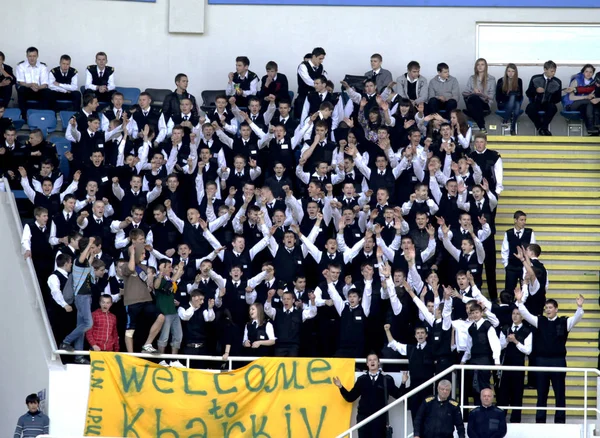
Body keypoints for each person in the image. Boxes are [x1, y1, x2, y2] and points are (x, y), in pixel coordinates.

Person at [515, 286, 585, 424]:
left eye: (550, 307)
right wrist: (520, 302)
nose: (547, 310)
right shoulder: (539, 321)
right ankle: (540, 421)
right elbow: (526, 315)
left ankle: (560, 421)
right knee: (541, 393)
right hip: (541, 361)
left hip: (558, 361)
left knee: (560, 394)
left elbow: (578, 317)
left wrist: (579, 307)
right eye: (546, 307)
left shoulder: (564, 322)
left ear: (556, 309)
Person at [333, 353, 405, 438]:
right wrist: (340, 387)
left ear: (379, 362)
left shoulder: (386, 379)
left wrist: (403, 382)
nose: (372, 362)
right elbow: (350, 397)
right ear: (367, 364)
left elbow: (398, 395)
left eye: (374, 359)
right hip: (364, 419)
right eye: (370, 360)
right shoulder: (362, 379)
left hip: (380, 419)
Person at [58, 236, 97, 363]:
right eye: (91, 247)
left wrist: (91, 254)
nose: (93, 248)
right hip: (82, 297)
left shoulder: (84, 262)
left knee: (81, 326)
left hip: (85, 297)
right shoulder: (78, 260)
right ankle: (66, 341)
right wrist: (90, 243)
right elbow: (82, 259)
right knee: (88, 324)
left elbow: (87, 265)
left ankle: (79, 356)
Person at [497, 306, 532, 423]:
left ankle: (516, 420)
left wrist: (516, 342)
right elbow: (499, 346)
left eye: (518, 314)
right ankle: (501, 420)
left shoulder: (527, 331)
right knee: (503, 394)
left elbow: (528, 350)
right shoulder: (505, 329)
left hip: (519, 366)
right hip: (506, 365)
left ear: (522, 316)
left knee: (517, 394)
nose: (515, 316)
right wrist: (507, 340)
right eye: (513, 313)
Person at [501, 210, 536, 295]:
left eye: (525, 220)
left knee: (525, 289)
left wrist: (529, 265)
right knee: (509, 290)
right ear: (515, 220)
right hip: (511, 266)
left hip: (524, 266)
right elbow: (505, 250)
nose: (524, 222)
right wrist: (506, 265)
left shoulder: (530, 232)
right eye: (521, 220)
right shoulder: (508, 233)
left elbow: (532, 249)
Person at [525, 60, 562, 136]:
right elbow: (528, 93)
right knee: (529, 109)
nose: (553, 73)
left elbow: (558, 98)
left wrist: (551, 94)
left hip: (548, 103)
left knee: (553, 108)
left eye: (554, 71)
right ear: (545, 70)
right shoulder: (535, 78)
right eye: (551, 71)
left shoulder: (557, 82)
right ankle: (541, 128)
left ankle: (543, 128)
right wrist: (536, 91)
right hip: (536, 102)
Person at [562, 64, 600, 135]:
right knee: (589, 102)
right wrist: (586, 97)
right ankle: (591, 127)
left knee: (586, 108)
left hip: (583, 105)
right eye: (586, 71)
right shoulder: (576, 80)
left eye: (590, 72)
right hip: (571, 104)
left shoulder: (594, 83)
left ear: (593, 73)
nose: (588, 74)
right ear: (583, 72)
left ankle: (591, 130)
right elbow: (571, 98)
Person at [16, 46, 51, 116]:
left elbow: (45, 83)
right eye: (30, 56)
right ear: (27, 56)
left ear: (37, 56)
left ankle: (43, 115)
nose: (32, 58)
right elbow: (21, 82)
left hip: (39, 89)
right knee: (21, 90)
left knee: (48, 92)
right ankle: (24, 116)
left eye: (34, 56)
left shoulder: (43, 67)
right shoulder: (21, 66)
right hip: (27, 89)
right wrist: (31, 85)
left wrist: (38, 87)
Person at [462, 58, 495, 132]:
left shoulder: (491, 79)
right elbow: (464, 93)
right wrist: (473, 92)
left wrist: (481, 94)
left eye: (482, 64)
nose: (480, 66)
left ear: (486, 66)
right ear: (476, 67)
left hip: (485, 103)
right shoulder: (472, 78)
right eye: (478, 64)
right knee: (474, 97)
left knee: (475, 99)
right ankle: (482, 126)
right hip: (472, 101)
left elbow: (492, 97)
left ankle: (471, 113)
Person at [495, 63, 523, 136]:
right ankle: (512, 128)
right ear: (506, 72)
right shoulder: (501, 81)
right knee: (513, 98)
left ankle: (506, 119)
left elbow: (520, 96)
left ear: (515, 72)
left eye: (513, 71)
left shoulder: (519, 81)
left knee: (515, 100)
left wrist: (512, 94)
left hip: (515, 103)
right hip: (503, 104)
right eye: (509, 71)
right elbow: (497, 97)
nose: (510, 73)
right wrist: (507, 95)